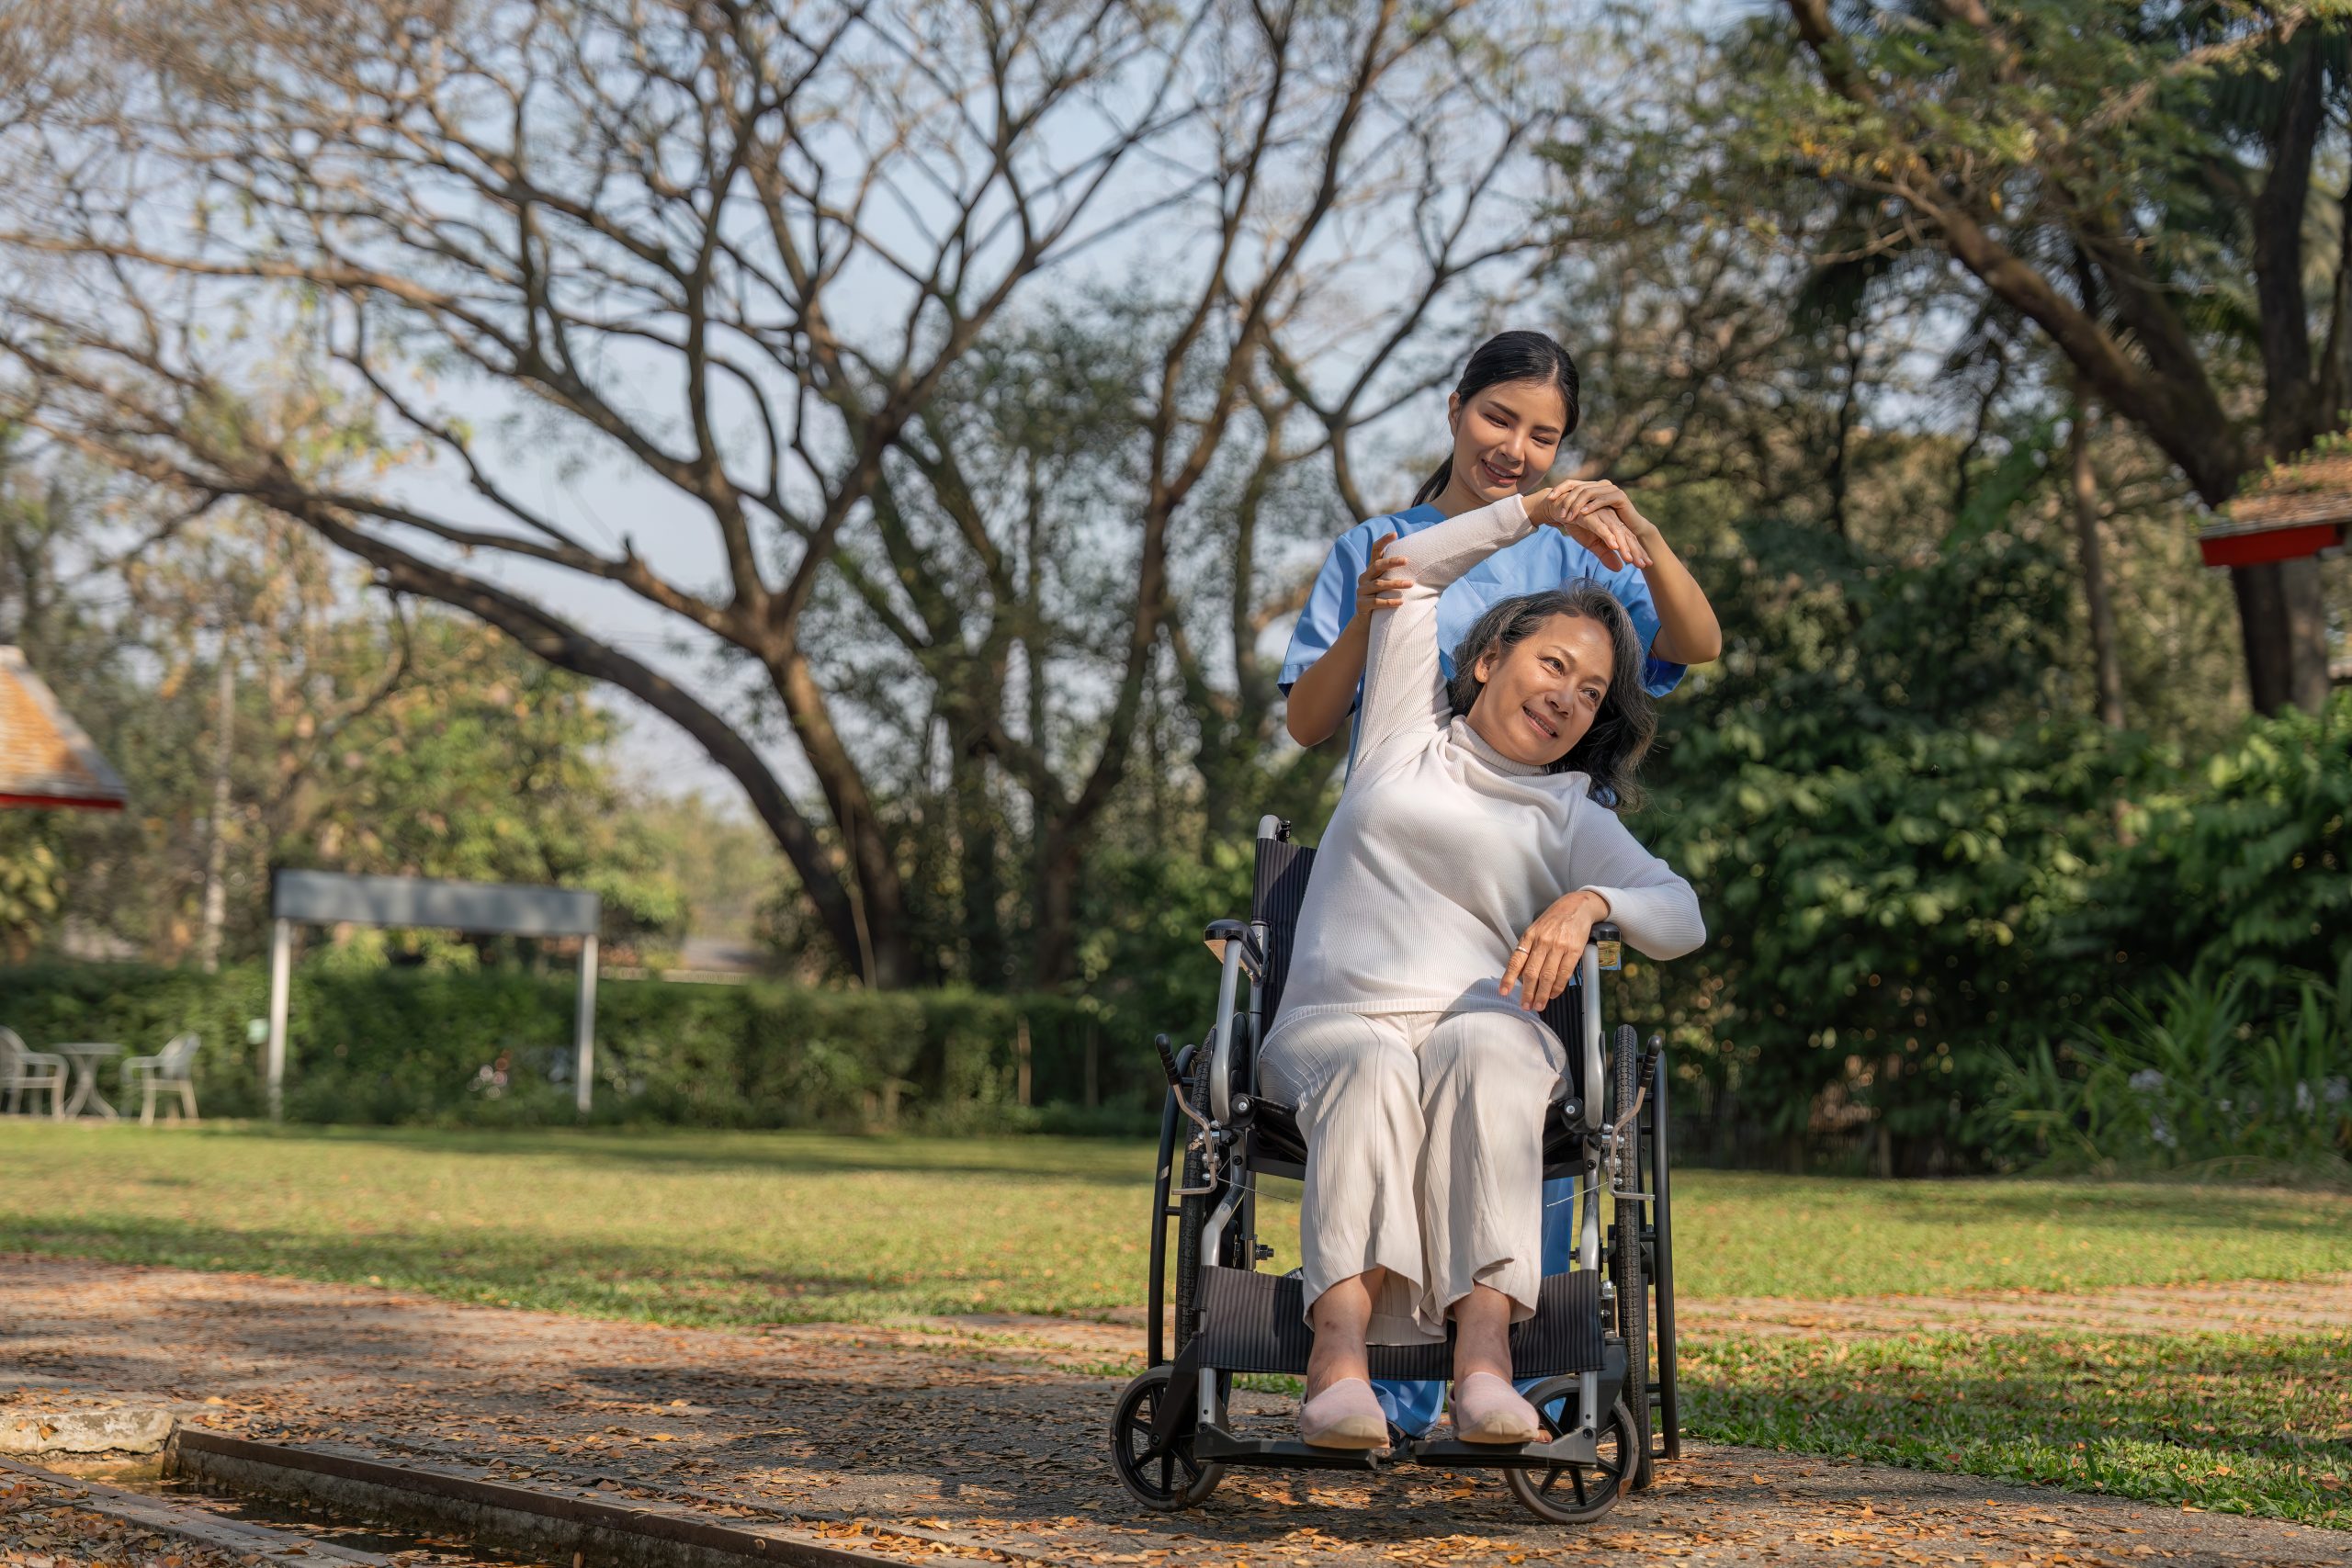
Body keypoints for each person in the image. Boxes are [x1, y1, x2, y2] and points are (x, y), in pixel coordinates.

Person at [1277, 330, 1720, 1440]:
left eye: (1544, 438)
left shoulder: (1570, 797)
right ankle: (1346, 1372)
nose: (1517, 448)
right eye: (1499, 420)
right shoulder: (1399, 681)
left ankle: (1489, 1373)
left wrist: (1588, 902)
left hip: (1487, 981)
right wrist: (1533, 512)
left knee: (1493, 1052)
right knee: (1377, 1059)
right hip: (1366, 960)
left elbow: (1694, 644)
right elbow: (1388, 606)